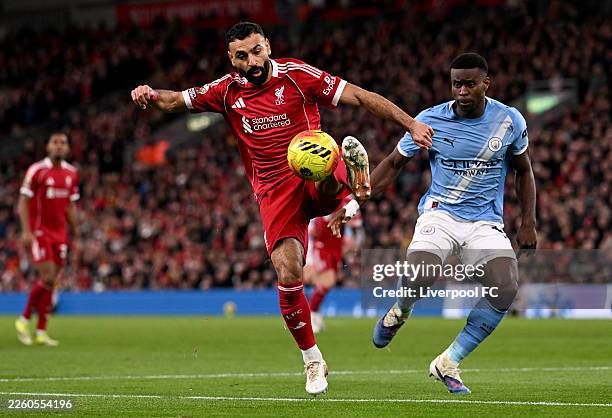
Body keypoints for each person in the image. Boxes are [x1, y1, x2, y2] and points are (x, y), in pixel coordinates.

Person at [130, 21, 433, 395]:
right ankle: (313, 360)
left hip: (311, 171)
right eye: (242, 56)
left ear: (268, 46)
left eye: (257, 51)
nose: (252, 61)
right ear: (232, 59)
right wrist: (148, 93)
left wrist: (410, 123)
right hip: (274, 192)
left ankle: (342, 181)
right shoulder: (226, 92)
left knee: (323, 157)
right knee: (289, 272)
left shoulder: (297, 75)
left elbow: (359, 95)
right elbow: (174, 100)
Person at [330, 53, 537, 394]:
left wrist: (528, 220)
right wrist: (354, 201)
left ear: (486, 84)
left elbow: (524, 170)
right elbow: (393, 164)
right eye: (457, 84)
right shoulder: (429, 121)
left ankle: (448, 362)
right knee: (420, 274)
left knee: (505, 286)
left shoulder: (509, 120)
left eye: (470, 84)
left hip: (485, 222)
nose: (462, 91)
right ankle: (400, 311)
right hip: (440, 214)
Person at [14, 133, 80, 347]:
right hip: (40, 231)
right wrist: (26, 231)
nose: (59, 146)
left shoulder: (72, 173)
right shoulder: (37, 170)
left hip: (60, 234)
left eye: (63, 143)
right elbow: (23, 202)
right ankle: (24, 319)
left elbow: (70, 206)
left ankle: (41, 331)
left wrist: (76, 233)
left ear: (68, 149)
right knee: (48, 277)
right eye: (55, 143)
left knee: (52, 283)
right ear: (48, 147)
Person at [304, 212, 363, 333]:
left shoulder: (341, 221)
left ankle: (315, 314)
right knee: (325, 283)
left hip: (333, 252)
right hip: (321, 250)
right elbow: (312, 231)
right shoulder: (323, 216)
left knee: (326, 285)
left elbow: (348, 239)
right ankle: (311, 316)